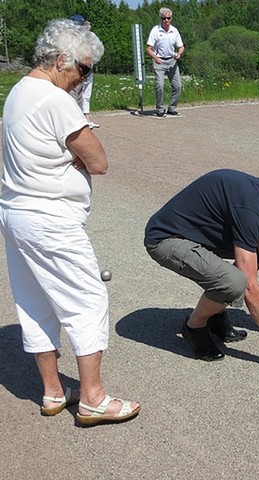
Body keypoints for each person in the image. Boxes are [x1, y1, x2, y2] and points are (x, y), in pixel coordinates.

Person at [0, 19, 140, 425]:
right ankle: (93, 398)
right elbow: (99, 161)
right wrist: (75, 156)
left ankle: (53, 391)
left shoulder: (18, 92)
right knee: (87, 301)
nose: (83, 78)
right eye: (83, 68)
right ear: (61, 60)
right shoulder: (55, 100)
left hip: (16, 214)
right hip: (50, 218)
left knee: (34, 303)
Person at [144, 169, 259, 366]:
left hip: (196, 235)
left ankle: (215, 315)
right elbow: (249, 286)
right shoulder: (249, 208)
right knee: (235, 282)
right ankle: (194, 326)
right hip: (165, 239)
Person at [146, 7, 184, 117]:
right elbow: (148, 48)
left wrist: (179, 53)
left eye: (168, 18)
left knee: (177, 86)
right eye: (164, 18)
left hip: (172, 61)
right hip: (159, 61)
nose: (166, 21)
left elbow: (181, 46)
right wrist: (155, 57)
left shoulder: (174, 30)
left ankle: (172, 107)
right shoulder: (155, 30)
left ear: (171, 18)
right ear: (161, 19)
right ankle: (160, 108)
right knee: (160, 85)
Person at [69, 14, 99, 129]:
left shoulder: (90, 37)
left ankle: (86, 118)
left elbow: (96, 51)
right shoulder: (70, 38)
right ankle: (75, 119)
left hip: (88, 69)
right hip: (75, 70)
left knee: (86, 95)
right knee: (74, 94)